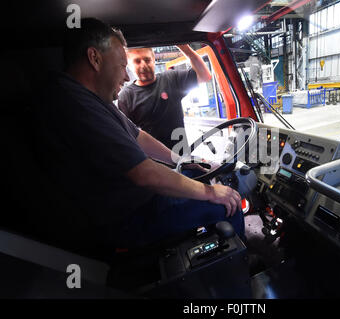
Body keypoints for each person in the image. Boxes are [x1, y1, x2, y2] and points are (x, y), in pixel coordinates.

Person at [33, 18, 243, 253]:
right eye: (123, 66)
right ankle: (245, 270)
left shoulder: (91, 98)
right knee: (227, 205)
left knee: (194, 172)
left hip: (137, 202)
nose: (126, 76)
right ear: (94, 58)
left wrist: (180, 159)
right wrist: (211, 193)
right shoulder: (72, 102)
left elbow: (138, 135)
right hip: (128, 218)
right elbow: (146, 175)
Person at [118, 45, 212, 153]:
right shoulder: (126, 97)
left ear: (154, 60)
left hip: (181, 158)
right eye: (137, 61)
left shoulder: (171, 79)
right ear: (129, 65)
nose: (143, 65)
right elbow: (126, 137)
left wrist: (184, 47)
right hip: (153, 163)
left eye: (147, 60)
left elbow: (205, 76)